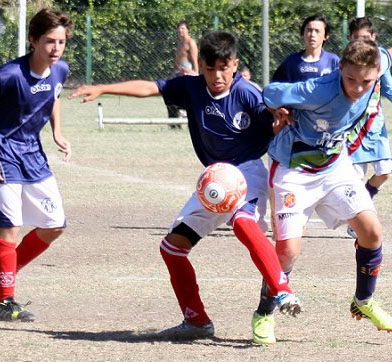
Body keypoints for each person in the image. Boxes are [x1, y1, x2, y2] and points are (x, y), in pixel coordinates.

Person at [70, 31, 302, 340]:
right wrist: (104, 88)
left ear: (235, 64)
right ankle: (196, 321)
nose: (217, 76)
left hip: (247, 172)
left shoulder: (246, 93)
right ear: (201, 66)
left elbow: (273, 117)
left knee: (243, 223)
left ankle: (282, 290)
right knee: (172, 248)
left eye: (223, 68)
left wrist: (278, 119)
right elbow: (150, 88)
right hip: (214, 180)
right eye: (210, 69)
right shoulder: (191, 87)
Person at [250, 18, 392, 345]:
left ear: (376, 74)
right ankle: (264, 313)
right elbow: (271, 91)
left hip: (334, 166)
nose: (358, 88)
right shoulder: (318, 89)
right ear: (340, 67)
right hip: (293, 170)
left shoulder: (376, 66)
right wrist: (280, 108)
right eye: (350, 79)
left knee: (372, 232)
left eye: (366, 81)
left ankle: (364, 301)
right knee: (287, 251)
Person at [0, 8, 73, 322]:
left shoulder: (61, 70)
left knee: (54, 224)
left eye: (61, 42)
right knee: (10, 226)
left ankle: (5, 273)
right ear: (33, 41)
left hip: (34, 154)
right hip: (4, 152)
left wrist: (56, 130)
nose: (56, 48)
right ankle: (5, 301)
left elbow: (54, 95)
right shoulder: (10, 75)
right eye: (49, 41)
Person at [345, 16, 392, 238]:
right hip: (352, 131)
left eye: (365, 38)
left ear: (374, 38)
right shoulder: (346, 64)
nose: (361, 42)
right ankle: (357, 221)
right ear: (349, 39)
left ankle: (365, 197)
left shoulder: (380, 59)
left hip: (375, 128)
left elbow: (388, 85)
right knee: (353, 179)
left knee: (385, 171)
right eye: (356, 38)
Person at [271, 14, 340, 82]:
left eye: (317, 31)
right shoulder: (291, 62)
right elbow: (276, 87)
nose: (312, 35)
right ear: (302, 33)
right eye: (309, 30)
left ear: (326, 36)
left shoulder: (333, 61)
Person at [167, 20, 199, 129]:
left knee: (187, 99)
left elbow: (195, 61)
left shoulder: (191, 42)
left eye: (183, 28)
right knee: (168, 96)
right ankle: (174, 124)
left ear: (188, 30)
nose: (181, 31)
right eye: (179, 28)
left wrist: (195, 75)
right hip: (178, 74)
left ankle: (186, 117)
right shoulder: (180, 43)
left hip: (188, 74)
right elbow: (177, 62)